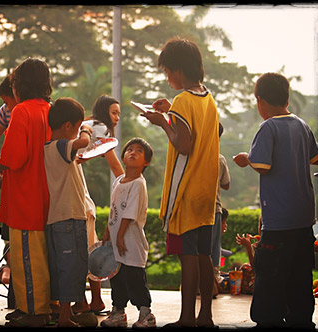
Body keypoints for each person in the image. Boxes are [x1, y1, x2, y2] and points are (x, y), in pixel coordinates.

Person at [233, 72, 318, 329]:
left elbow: (262, 165)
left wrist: (245, 159)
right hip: (304, 220)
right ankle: (301, 321)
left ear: (260, 101)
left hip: (278, 223)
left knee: (270, 280)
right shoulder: (302, 125)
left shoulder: (268, 127)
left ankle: (269, 321)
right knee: (299, 278)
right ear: (286, 98)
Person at [141, 37, 219, 328]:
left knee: (187, 256)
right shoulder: (206, 98)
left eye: (167, 71)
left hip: (185, 191)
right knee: (203, 255)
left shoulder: (184, 101)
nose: (167, 76)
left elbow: (183, 144)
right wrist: (170, 111)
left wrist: (162, 121)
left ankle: (186, 318)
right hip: (205, 191)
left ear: (178, 70)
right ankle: (205, 317)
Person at [0, 58, 53, 328]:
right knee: (41, 258)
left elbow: (12, 158)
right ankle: (29, 307)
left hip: (25, 197)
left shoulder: (22, 111)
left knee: (25, 260)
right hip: (46, 196)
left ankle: (35, 312)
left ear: (19, 85)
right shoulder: (49, 110)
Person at [43, 97, 94, 327]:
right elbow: (82, 142)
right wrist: (86, 129)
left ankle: (67, 313)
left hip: (57, 217)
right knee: (72, 265)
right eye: (75, 126)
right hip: (69, 216)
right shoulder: (61, 145)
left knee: (63, 265)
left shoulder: (48, 148)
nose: (77, 132)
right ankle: (65, 316)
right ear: (67, 126)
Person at [73, 94, 124, 315]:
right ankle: (94, 300)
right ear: (104, 112)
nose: (117, 118)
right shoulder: (99, 126)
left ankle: (86, 301)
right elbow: (114, 163)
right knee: (89, 247)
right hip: (80, 196)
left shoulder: (89, 124)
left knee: (82, 248)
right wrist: (128, 183)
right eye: (114, 113)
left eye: (119, 114)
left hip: (76, 192)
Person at [99, 137, 156, 328]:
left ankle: (146, 314)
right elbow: (114, 209)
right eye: (130, 149)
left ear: (146, 162)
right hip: (117, 242)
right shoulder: (118, 181)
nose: (133, 152)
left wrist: (121, 235)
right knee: (117, 278)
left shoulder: (138, 184)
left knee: (135, 279)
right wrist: (108, 231)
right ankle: (118, 313)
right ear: (123, 156)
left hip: (131, 243)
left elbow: (129, 214)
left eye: (139, 151)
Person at [212, 123, 230, 295]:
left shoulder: (190, 155)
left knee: (197, 250)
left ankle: (200, 285)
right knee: (213, 248)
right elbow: (226, 185)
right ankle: (213, 281)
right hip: (214, 209)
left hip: (194, 210)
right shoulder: (219, 158)